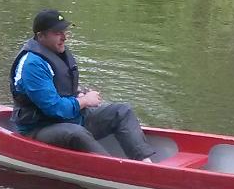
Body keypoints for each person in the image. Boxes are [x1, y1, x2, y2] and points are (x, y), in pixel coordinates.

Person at [8, 9, 158, 162]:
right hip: (39, 128)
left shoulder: (55, 51)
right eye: (58, 33)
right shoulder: (32, 65)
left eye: (65, 32)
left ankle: (147, 164)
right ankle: (114, 170)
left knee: (122, 111)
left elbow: (60, 87)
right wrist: (85, 101)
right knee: (77, 133)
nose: (64, 37)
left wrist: (79, 93)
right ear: (41, 36)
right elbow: (54, 108)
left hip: (68, 118)